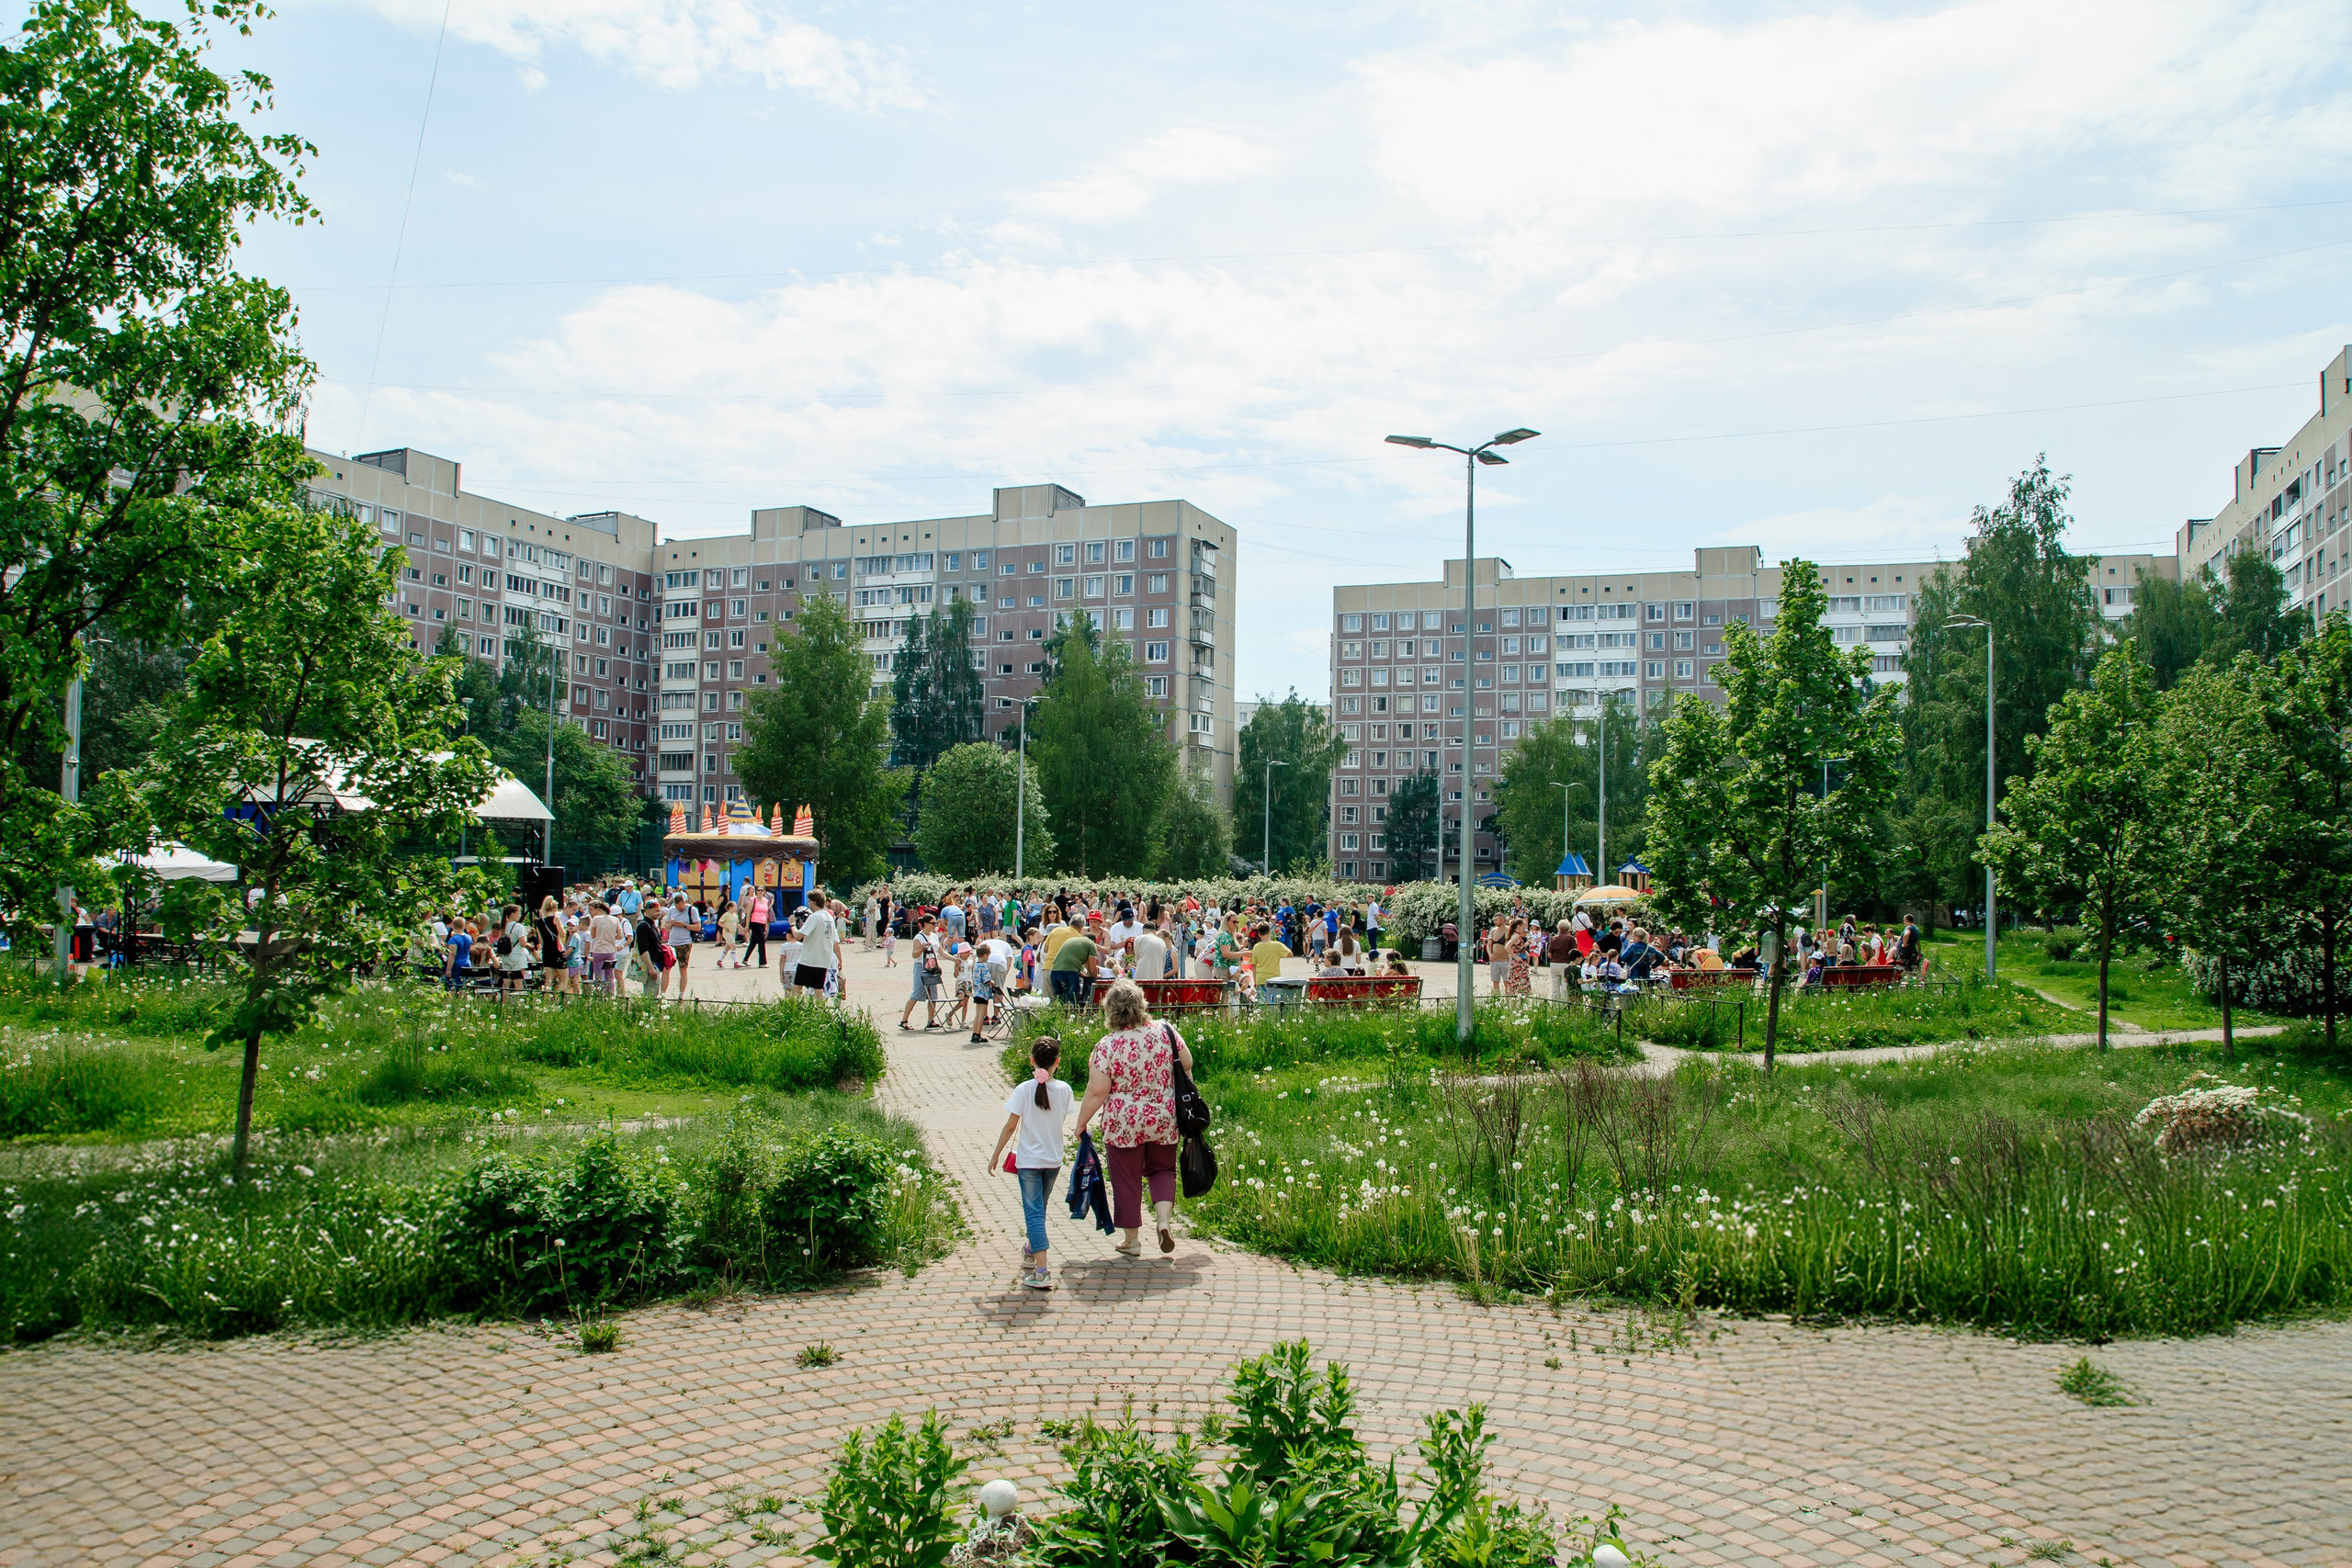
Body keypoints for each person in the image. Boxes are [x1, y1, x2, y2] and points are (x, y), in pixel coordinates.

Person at [1073, 979, 1193, 1258]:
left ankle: (1132, 1240)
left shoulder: (1107, 1045)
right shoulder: (1166, 1031)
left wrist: (1082, 1122)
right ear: (1141, 1003)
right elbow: (1186, 1064)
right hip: (1164, 1116)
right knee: (1163, 1169)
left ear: (1110, 1010)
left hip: (1123, 1123)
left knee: (1126, 1178)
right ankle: (1163, 1221)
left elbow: (1098, 1091)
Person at [989, 1036, 1073, 1291]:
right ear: (1057, 1062)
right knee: (1040, 1208)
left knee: (1034, 1212)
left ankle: (1043, 1271)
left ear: (1031, 1060)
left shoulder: (1024, 1089)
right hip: (1053, 1160)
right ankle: (1031, 1249)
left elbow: (1010, 1126)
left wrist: (995, 1154)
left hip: (1028, 1162)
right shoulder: (1066, 1090)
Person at [900, 914, 945, 1029]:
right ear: (926, 924)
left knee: (933, 995)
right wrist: (922, 948)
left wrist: (955, 960)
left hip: (932, 967)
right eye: (933, 923)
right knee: (917, 993)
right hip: (921, 966)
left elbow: (941, 952)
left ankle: (931, 1020)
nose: (935, 925)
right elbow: (914, 954)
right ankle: (904, 1020)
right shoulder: (919, 937)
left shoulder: (934, 936)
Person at [795, 895, 843, 998]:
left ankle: (796, 1010)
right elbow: (835, 942)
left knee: (797, 987)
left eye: (809, 902)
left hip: (809, 959)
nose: (808, 904)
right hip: (824, 960)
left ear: (814, 902)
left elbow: (798, 936)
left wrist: (791, 925)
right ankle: (820, 1011)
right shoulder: (829, 917)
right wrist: (840, 959)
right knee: (818, 989)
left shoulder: (814, 916)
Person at [1049, 919, 1100, 1006]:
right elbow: (1092, 970)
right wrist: (1094, 981)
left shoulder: (1073, 941)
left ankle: (1061, 1018)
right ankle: (1072, 1018)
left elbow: (1072, 964)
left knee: (1060, 1002)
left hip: (1055, 971)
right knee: (1071, 1003)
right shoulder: (1091, 944)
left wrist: (1085, 977)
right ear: (1094, 942)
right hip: (1069, 974)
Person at [662, 893, 697, 998]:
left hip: (685, 942)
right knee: (666, 969)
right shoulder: (672, 910)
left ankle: (681, 995)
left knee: (683, 968)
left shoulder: (691, 910)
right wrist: (671, 923)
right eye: (677, 907)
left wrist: (684, 925)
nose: (679, 909)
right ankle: (662, 994)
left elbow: (698, 927)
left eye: (681, 907)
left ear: (684, 903)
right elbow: (666, 927)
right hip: (672, 943)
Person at [498, 904, 532, 994]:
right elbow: (523, 943)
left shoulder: (504, 926)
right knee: (518, 982)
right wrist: (530, 945)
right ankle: (519, 1002)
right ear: (512, 914)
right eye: (518, 913)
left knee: (506, 983)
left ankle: (504, 1003)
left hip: (506, 956)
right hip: (517, 956)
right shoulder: (519, 926)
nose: (520, 915)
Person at [1248, 923, 1290, 989]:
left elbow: (1254, 966)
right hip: (1275, 979)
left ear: (1259, 934)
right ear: (1270, 932)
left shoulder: (1256, 947)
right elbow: (1290, 954)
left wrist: (1255, 982)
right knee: (1274, 999)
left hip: (1260, 979)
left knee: (1262, 999)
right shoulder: (1277, 945)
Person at [1503, 919, 1532, 996]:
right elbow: (1507, 947)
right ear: (1519, 926)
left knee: (1518, 985)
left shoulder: (1516, 936)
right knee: (1519, 985)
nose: (1524, 929)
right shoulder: (1516, 936)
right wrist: (1515, 956)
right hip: (1518, 965)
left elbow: (1517, 948)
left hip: (1521, 964)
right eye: (1523, 927)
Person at [745, 887, 772, 970]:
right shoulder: (753, 900)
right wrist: (747, 925)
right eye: (758, 890)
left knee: (753, 941)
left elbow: (766, 913)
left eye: (761, 890)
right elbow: (748, 913)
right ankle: (763, 962)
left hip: (762, 922)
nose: (759, 892)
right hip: (755, 922)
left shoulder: (766, 901)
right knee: (761, 942)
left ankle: (745, 959)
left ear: (764, 892)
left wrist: (766, 926)